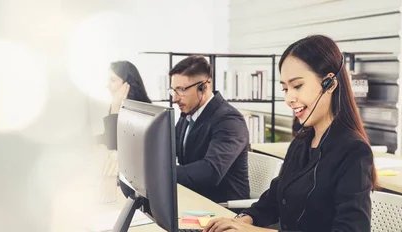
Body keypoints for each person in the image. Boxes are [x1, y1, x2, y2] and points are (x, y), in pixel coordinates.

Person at [204, 35, 377, 232]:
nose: (289, 98)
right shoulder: (303, 140)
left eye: (297, 86)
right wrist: (245, 219)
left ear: (330, 83)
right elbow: (276, 196)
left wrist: (253, 231)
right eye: (285, 88)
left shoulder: (353, 150)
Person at [169, 55, 250, 204]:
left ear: (204, 87)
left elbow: (210, 171)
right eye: (173, 90)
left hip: (223, 209)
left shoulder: (229, 120)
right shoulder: (187, 114)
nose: (175, 98)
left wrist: (161, 173)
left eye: (181, 90)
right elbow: (168, 148)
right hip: (194, 199)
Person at [96, 60, 152, 150]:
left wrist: (115, 110)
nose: (107, 85)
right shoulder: (118, 105)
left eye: (113, 80)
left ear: (127, 84)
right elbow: (108, 136)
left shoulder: (138, 112)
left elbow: (113, 145)